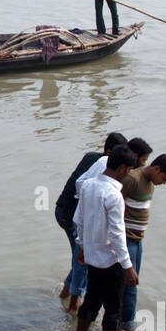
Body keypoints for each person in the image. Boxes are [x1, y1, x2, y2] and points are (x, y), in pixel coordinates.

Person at [69, 144, 139, 331]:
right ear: (122, 168)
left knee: (91, 301)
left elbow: (79, 219)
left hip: (92, 257)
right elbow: (118, 234)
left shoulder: (88, 185)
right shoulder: (113, 195)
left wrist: (81, 247)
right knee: (113, 308)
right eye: (129, 170)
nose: (129, 175)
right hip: (110, 261)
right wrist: (127, 266)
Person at [115, 153, 166, 331]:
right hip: (126, 241)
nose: (164, 184)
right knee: (131, 288)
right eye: (165, 179)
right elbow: (113, 204)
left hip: (137, 240)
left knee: (125, 286)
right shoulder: (133, 180)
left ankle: (119, 325)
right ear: (157, 169)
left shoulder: (150, 182)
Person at [55, 133, 126, 313]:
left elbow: (80, 182)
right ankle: (73, 303)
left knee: (81, 257)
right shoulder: (103, 163)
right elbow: (82, 184)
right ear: (110, 152)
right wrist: (88, 206)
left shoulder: (92, 157)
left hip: (63, 210)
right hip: (71, 215)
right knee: (83, 259)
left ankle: (66, 293)